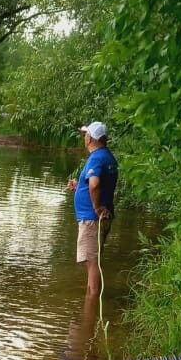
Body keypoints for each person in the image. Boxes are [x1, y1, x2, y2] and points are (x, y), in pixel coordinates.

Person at [66, 120, 118, 295]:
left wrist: (96, 207)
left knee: (91, 261)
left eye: (85, 134)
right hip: (99, 217)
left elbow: (94, 185)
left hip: (92, 218)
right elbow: (95, 184)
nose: (84, 137)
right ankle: (90, 298)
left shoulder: (96, 158)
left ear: (91, 138)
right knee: (93, 260)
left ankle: (91, 303)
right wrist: (79, 185)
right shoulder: (107, 156)